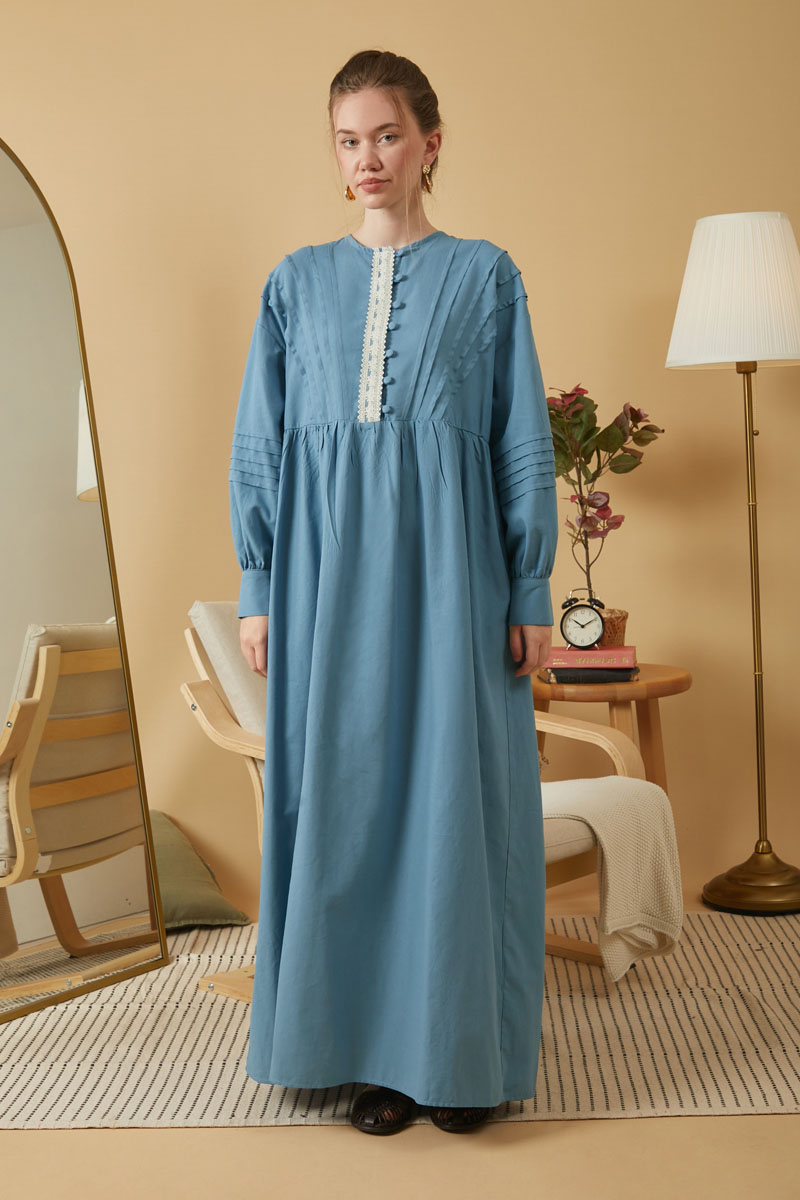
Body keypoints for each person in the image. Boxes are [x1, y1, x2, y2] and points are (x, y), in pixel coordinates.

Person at [229, 48, 558, 1136]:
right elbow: (262, 443)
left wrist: (529, 587)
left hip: (454, 581)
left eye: (385, 135)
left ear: (428, 143)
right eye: (347, 140)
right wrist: (259, 582)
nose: (366, 157)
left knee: (453, 808)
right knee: (350, 800)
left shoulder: (486, 275)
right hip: (325, 587)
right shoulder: (293, 283)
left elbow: (518, 437)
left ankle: (457, 1058)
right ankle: (368, 1057)